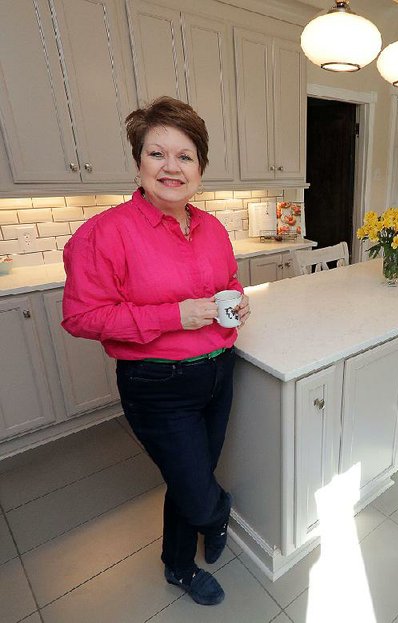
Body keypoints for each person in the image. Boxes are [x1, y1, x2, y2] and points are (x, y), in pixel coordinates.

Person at [61, 96, 250, 606]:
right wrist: (174, 316)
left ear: (200, 167)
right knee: (196, 487)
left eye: (185, 156)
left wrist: (238, 301)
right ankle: (215, 515)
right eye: (156, 154)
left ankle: (177, 562)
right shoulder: (103, 234)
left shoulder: (211, 228)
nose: (171, 167)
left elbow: (227, 281)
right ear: (138, 162)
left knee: (188, 477)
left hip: (218, 371)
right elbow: (81, 316)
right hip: (157, 386)